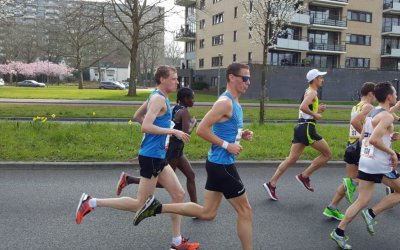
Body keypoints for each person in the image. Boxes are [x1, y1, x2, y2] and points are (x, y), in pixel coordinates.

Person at [75, 66, 199, 250]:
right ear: (163, 79)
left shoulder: (158, 96)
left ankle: (176, 241)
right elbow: (145, 126)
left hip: (158, 155)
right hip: (150, 157)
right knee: (139, 205)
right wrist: (172, 131)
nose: (177, 82)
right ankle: (91, 202)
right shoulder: (158, 99)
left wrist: (157, 135)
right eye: (173, 78)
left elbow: (137, 116)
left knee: (178, 194)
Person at [132, 63, 254, 250]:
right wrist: (226, 145)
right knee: (245, 211)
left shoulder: (235, 103)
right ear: (231, 77)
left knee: (208, 213)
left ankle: (155, 207)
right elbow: (202, 130)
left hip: (217, 163)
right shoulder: (225, 102)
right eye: (244, 78)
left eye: (249, 79)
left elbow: (223, 129)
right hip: (223, 165)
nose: (248, 82)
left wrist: (240, 135)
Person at [330, 82, 400, 249]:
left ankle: (339, 233)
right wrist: (391, 153)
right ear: (389, 97)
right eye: (395, 94)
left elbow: (363, 138)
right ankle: (371, 213)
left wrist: (389, 136)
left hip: (365, 161)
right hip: (380, 164)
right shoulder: (387, 116)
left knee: (361, 201)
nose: (397, 96)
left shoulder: (372, 112)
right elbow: (374, 139)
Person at [116, 87, 198, 205]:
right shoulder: (184, 111)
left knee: (191, 175)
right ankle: (130, 179)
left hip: (176, 149)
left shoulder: (175, 108)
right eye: (192, 98)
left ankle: (194, 207)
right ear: (185, 99)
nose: (194, 100)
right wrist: (193, 124)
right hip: (174, 149)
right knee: (164, 182)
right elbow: (185, 134)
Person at [263, 69, 332, 200]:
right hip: (307, 128)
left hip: (300, 127)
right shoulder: (312, 92)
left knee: (291, 159)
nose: (323, 80)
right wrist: (315, 114)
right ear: (315, 79)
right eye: (321, 77)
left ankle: (271, 184)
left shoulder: (308, 91)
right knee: (328, 154)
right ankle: (304, 176)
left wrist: (317, 109)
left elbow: (305, 109)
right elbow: (302, 107)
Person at [323, 82, 375, 221]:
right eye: (375, 94)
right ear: (370, 93)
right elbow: (355, 123)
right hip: (359, 146)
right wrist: (365, 137)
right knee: (360, 179)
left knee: (352, 180)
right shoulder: (368, 106)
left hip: (351, 144)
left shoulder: (356, 106)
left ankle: (331, 208)